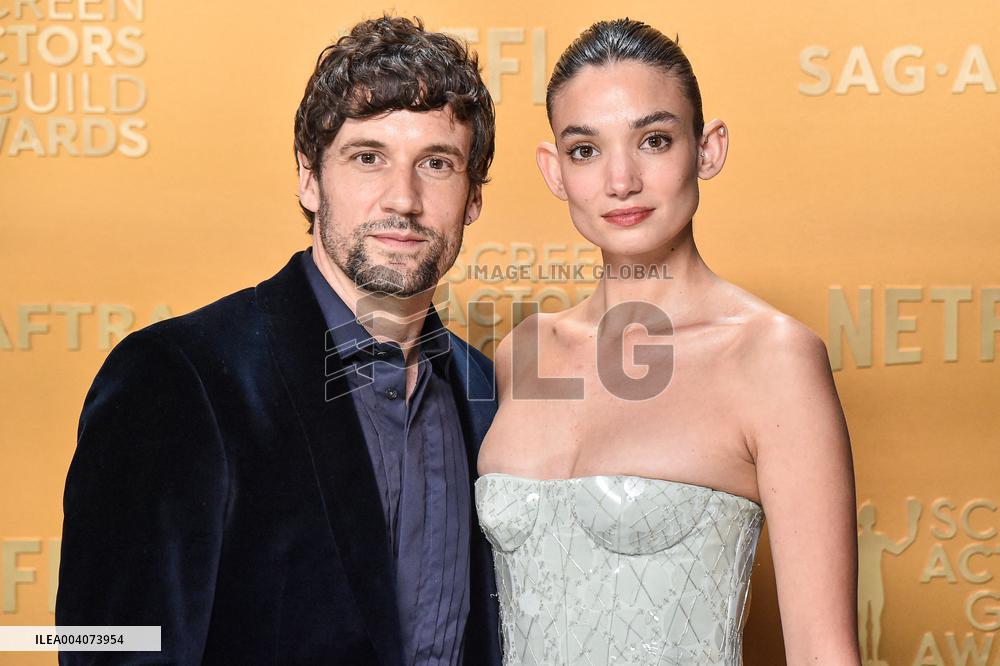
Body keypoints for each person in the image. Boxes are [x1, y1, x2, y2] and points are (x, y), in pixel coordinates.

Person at [56, 15, 501, 665]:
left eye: (436, 163)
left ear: (472, 199)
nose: (402, 199)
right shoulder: (180, 379)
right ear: (309, 177)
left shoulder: (484, 391)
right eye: (368, 157)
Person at [475, 18, 861, 665]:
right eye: (585, 150)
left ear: (706, 150)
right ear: (553, 171)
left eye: (653, 140)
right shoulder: (526, 353)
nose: (620, 180)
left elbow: (825, 653)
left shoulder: (773, 358)